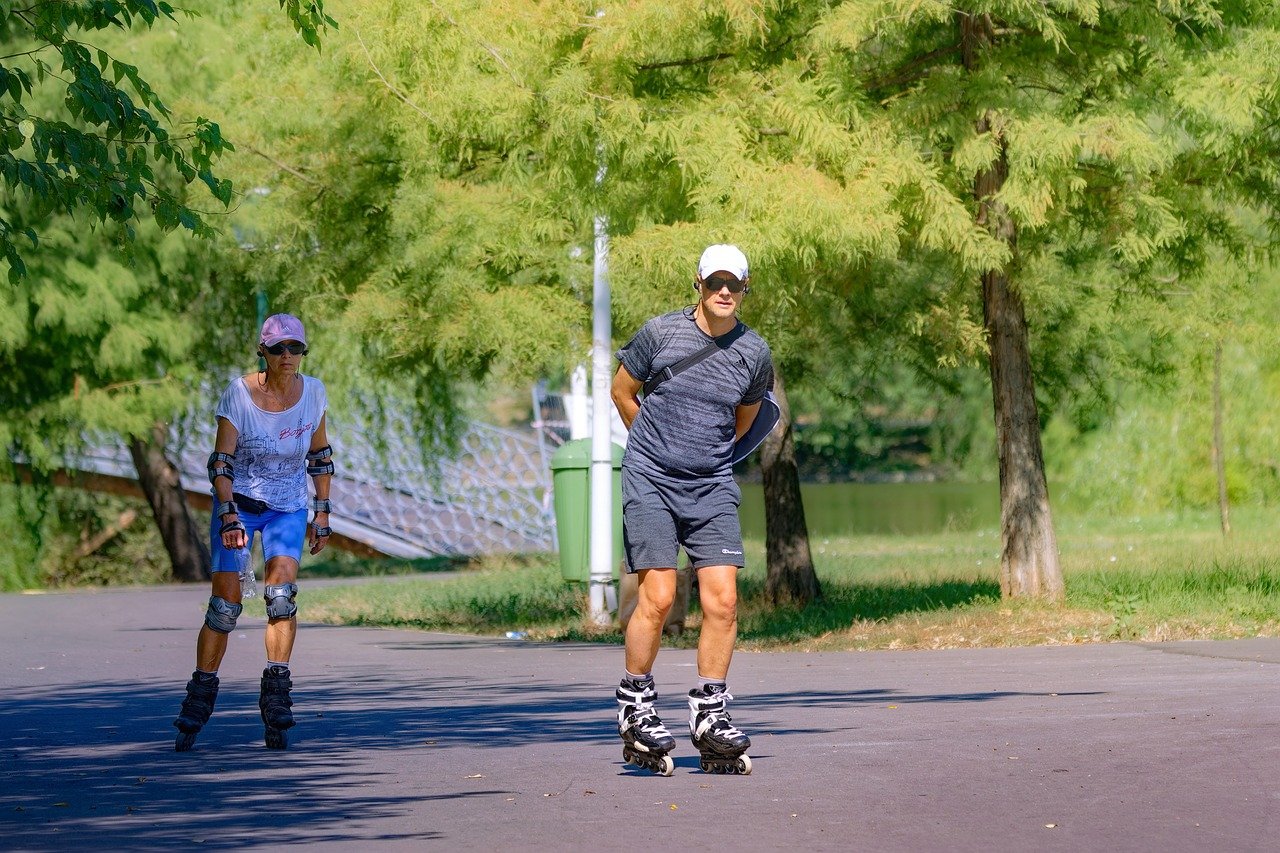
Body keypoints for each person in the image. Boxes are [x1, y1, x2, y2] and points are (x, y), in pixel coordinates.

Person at [610, 244, 773, 776]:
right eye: (715, 282)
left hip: (710, 485)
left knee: (723, 602)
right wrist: (652, 446)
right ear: (698, 284)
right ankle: (635, 704)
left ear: (745, 290)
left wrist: (705, 456)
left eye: (735, 284)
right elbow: (622, 391)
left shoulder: (754, 353)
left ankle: (710, 713)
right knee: (658, 596)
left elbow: (747, 419)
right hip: (651, 480)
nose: (724, 292)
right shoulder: (660, 333)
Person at [172, 313, 333, 751]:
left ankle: (277, 692)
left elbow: (319, 456)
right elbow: (220, 463)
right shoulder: (239, 395)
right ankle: (201, 692)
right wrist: (227, 516)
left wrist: (321, 513)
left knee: (281, 597)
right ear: (262, 351)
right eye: (278, 348)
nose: (287, 356)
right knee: (225, 607)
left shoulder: (314, 392)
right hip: (239, 505)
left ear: (302, 352)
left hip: (287, 507)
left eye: (295, 348)